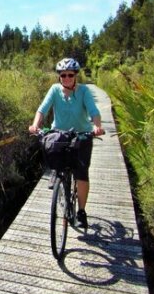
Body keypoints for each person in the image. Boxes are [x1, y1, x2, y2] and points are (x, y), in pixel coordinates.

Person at [28, 58, 104, 229]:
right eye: (63, 75)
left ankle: (82, 212)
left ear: (75, 75)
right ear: (59, 77)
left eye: (70, 75)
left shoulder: (84, 91)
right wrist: (35, 125)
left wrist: (97, 126)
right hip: (60, 135)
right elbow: (42, 109)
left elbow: (94, 111)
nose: (67, 78)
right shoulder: (55, 90)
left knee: (81, 174)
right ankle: (56, 173)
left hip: (82, 135)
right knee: (53, 153)